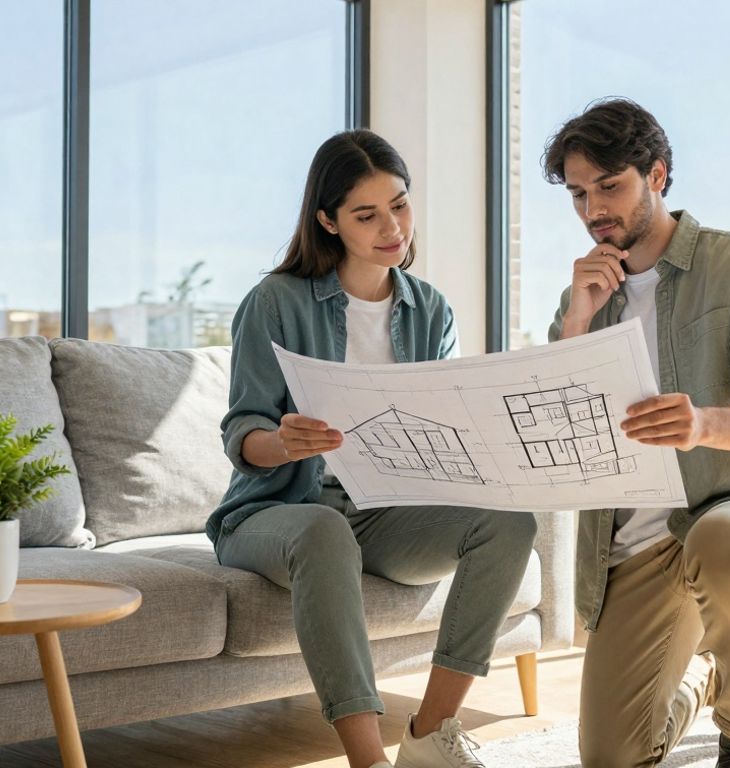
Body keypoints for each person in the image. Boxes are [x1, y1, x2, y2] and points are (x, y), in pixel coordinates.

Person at [207, 129, 537, 768]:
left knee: (509, 522)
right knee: (324, 529)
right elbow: (241, 435)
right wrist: (282, 440)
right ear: (328, 220)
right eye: (367, 214)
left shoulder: (430, 310)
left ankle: (429, 735)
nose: (393, 227)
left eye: (401, 205)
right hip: (276, 510)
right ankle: (368, 760)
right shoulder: (274, 302)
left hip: (386, 509)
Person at [543, 98, 730, 768]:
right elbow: (556, 423)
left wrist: (699, 424)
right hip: (633, 542)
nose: (593, 210)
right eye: (580, 194)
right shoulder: (584, 293)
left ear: (658, 176)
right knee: (612, 756)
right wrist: (576, 324)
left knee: (727, 543)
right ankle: (728, 671)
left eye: (611, 186)